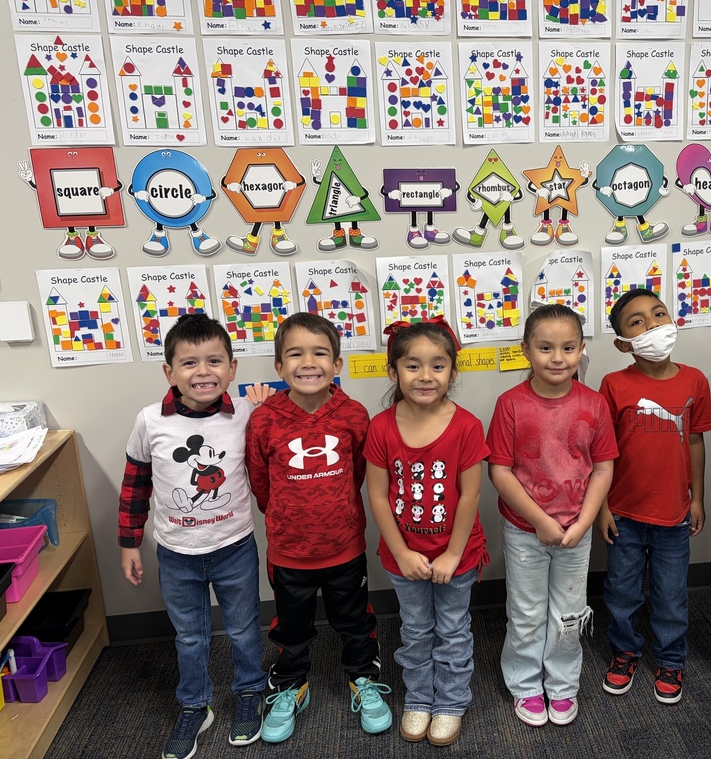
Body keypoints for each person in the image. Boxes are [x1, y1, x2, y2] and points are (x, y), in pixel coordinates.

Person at [118, 313, 267, 759]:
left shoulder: (245, 412)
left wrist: (266, 411)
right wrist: (129, 541)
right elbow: (134, 485)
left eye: (215, 361)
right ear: (169, 372)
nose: (203, 372)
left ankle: (248, 693)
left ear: (233, 368)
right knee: (189, 636)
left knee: (243, 628)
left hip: (234, 546)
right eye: (189, 363)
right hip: (177, 553)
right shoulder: (149, 421)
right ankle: (194, 705)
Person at [245, 312, 392, 743]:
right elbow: (259, 480)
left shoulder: (354, 414)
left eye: (320, 353)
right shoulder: (264, 419)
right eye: (295, 354)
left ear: (338, 364)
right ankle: (291, 685)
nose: (308, 363)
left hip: (344, 547)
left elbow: (362, 472)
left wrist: (334, 511)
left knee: (355, 620)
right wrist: (289, 518)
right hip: (289, 551)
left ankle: (363, 680)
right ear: (278, 367)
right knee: (291, 626)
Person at [486, 305, 617, 728]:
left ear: (581, 350)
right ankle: (526, 685)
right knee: (525, 612)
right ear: (526, 350)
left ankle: (562, 685)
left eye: (568, 347)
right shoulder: (510, 404)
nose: (557, 358)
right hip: (526, 529)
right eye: (545, 348)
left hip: (576, 532)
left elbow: (603, 468)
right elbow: (500, 471)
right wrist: (541, 520)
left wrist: (583, 521)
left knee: (568, 611)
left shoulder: (594, 404)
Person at [364, 318, 489, 747]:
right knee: (416, 629)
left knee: (453, 629)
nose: (425, 376)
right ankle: (419, 697)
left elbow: (470, 495)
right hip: (405, 557)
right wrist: (401, 553)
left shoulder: (467, 426)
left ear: (453, 373)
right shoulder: (381, 427)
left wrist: (453, 555)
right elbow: (378, 496)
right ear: (393, 370)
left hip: (457, 555)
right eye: (413, 365)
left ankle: (451, 701)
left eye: (438, 366)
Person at [597, 289, 711, 705]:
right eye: (638, 322)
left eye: (658, 314)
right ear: (622, 343)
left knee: (671, 593)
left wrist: (697, 498)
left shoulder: (695, 380)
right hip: (625, 513)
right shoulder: (613, 384)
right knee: (622, 591)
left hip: (674, 513)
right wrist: (604, 507)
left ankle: (670, 658)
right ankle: (625, 650)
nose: (653, 326)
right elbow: (603, 453)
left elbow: (696, 442)